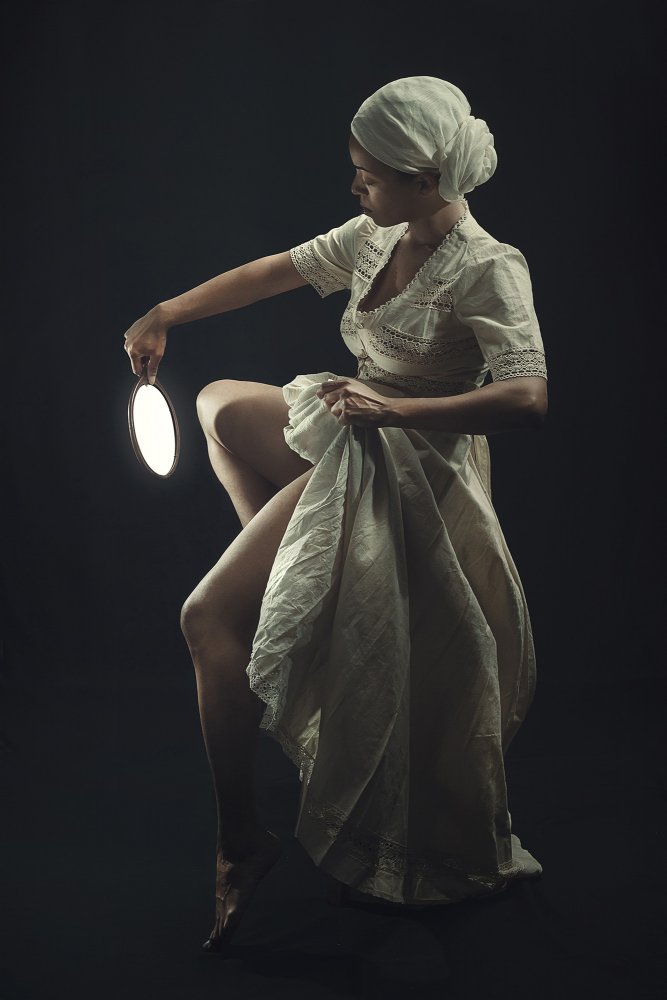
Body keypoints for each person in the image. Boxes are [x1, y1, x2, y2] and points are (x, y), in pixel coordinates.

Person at [123, 76, 548, 951]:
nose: (354, 184)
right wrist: (166, 312)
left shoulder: (487, 266)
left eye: (369, 174)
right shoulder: (373, 234)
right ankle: (298, 583)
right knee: (218, 404)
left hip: (414, 463)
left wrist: (397, 410)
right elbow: (274, 271)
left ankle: (240, 843)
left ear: (424, 180)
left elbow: (527, 397)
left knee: (204, 618)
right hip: (355, 427)